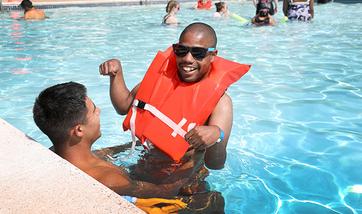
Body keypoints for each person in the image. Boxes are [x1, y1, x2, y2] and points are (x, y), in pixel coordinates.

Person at [99, 22, 250, 210]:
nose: (188, 59)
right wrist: (116, 75)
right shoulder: (161, 80)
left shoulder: (220, 103)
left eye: (198, 53)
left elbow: (215, 163)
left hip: (182, 188)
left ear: (213, 55)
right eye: (181, 50)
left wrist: (216, 135)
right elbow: (123, 106)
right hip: (141, 172)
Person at [33, 82, 191, 213]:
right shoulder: (109, 180)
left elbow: (104, 153)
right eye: (94, 110)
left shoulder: (57, 153)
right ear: (79, 130)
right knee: (206, 199)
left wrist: (137, 143)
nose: (99, 111)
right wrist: (195, 156)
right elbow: (166, 191)